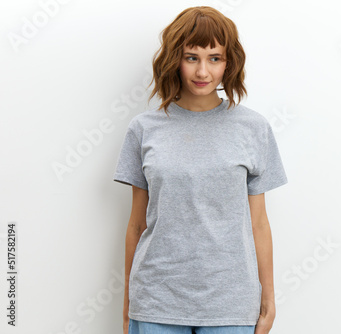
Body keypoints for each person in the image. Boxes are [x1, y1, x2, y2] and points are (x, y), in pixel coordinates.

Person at [113, 6, 288, 334]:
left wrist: (269, 298)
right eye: (191, 57)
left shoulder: (253, 128)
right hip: (156, 303)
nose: (203, 71)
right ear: (173, 60)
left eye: (215, 58)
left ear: (229, 62)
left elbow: (260, 223)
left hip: (231, 305)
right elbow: (137, 224)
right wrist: (127, 307)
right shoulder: (143, 129)